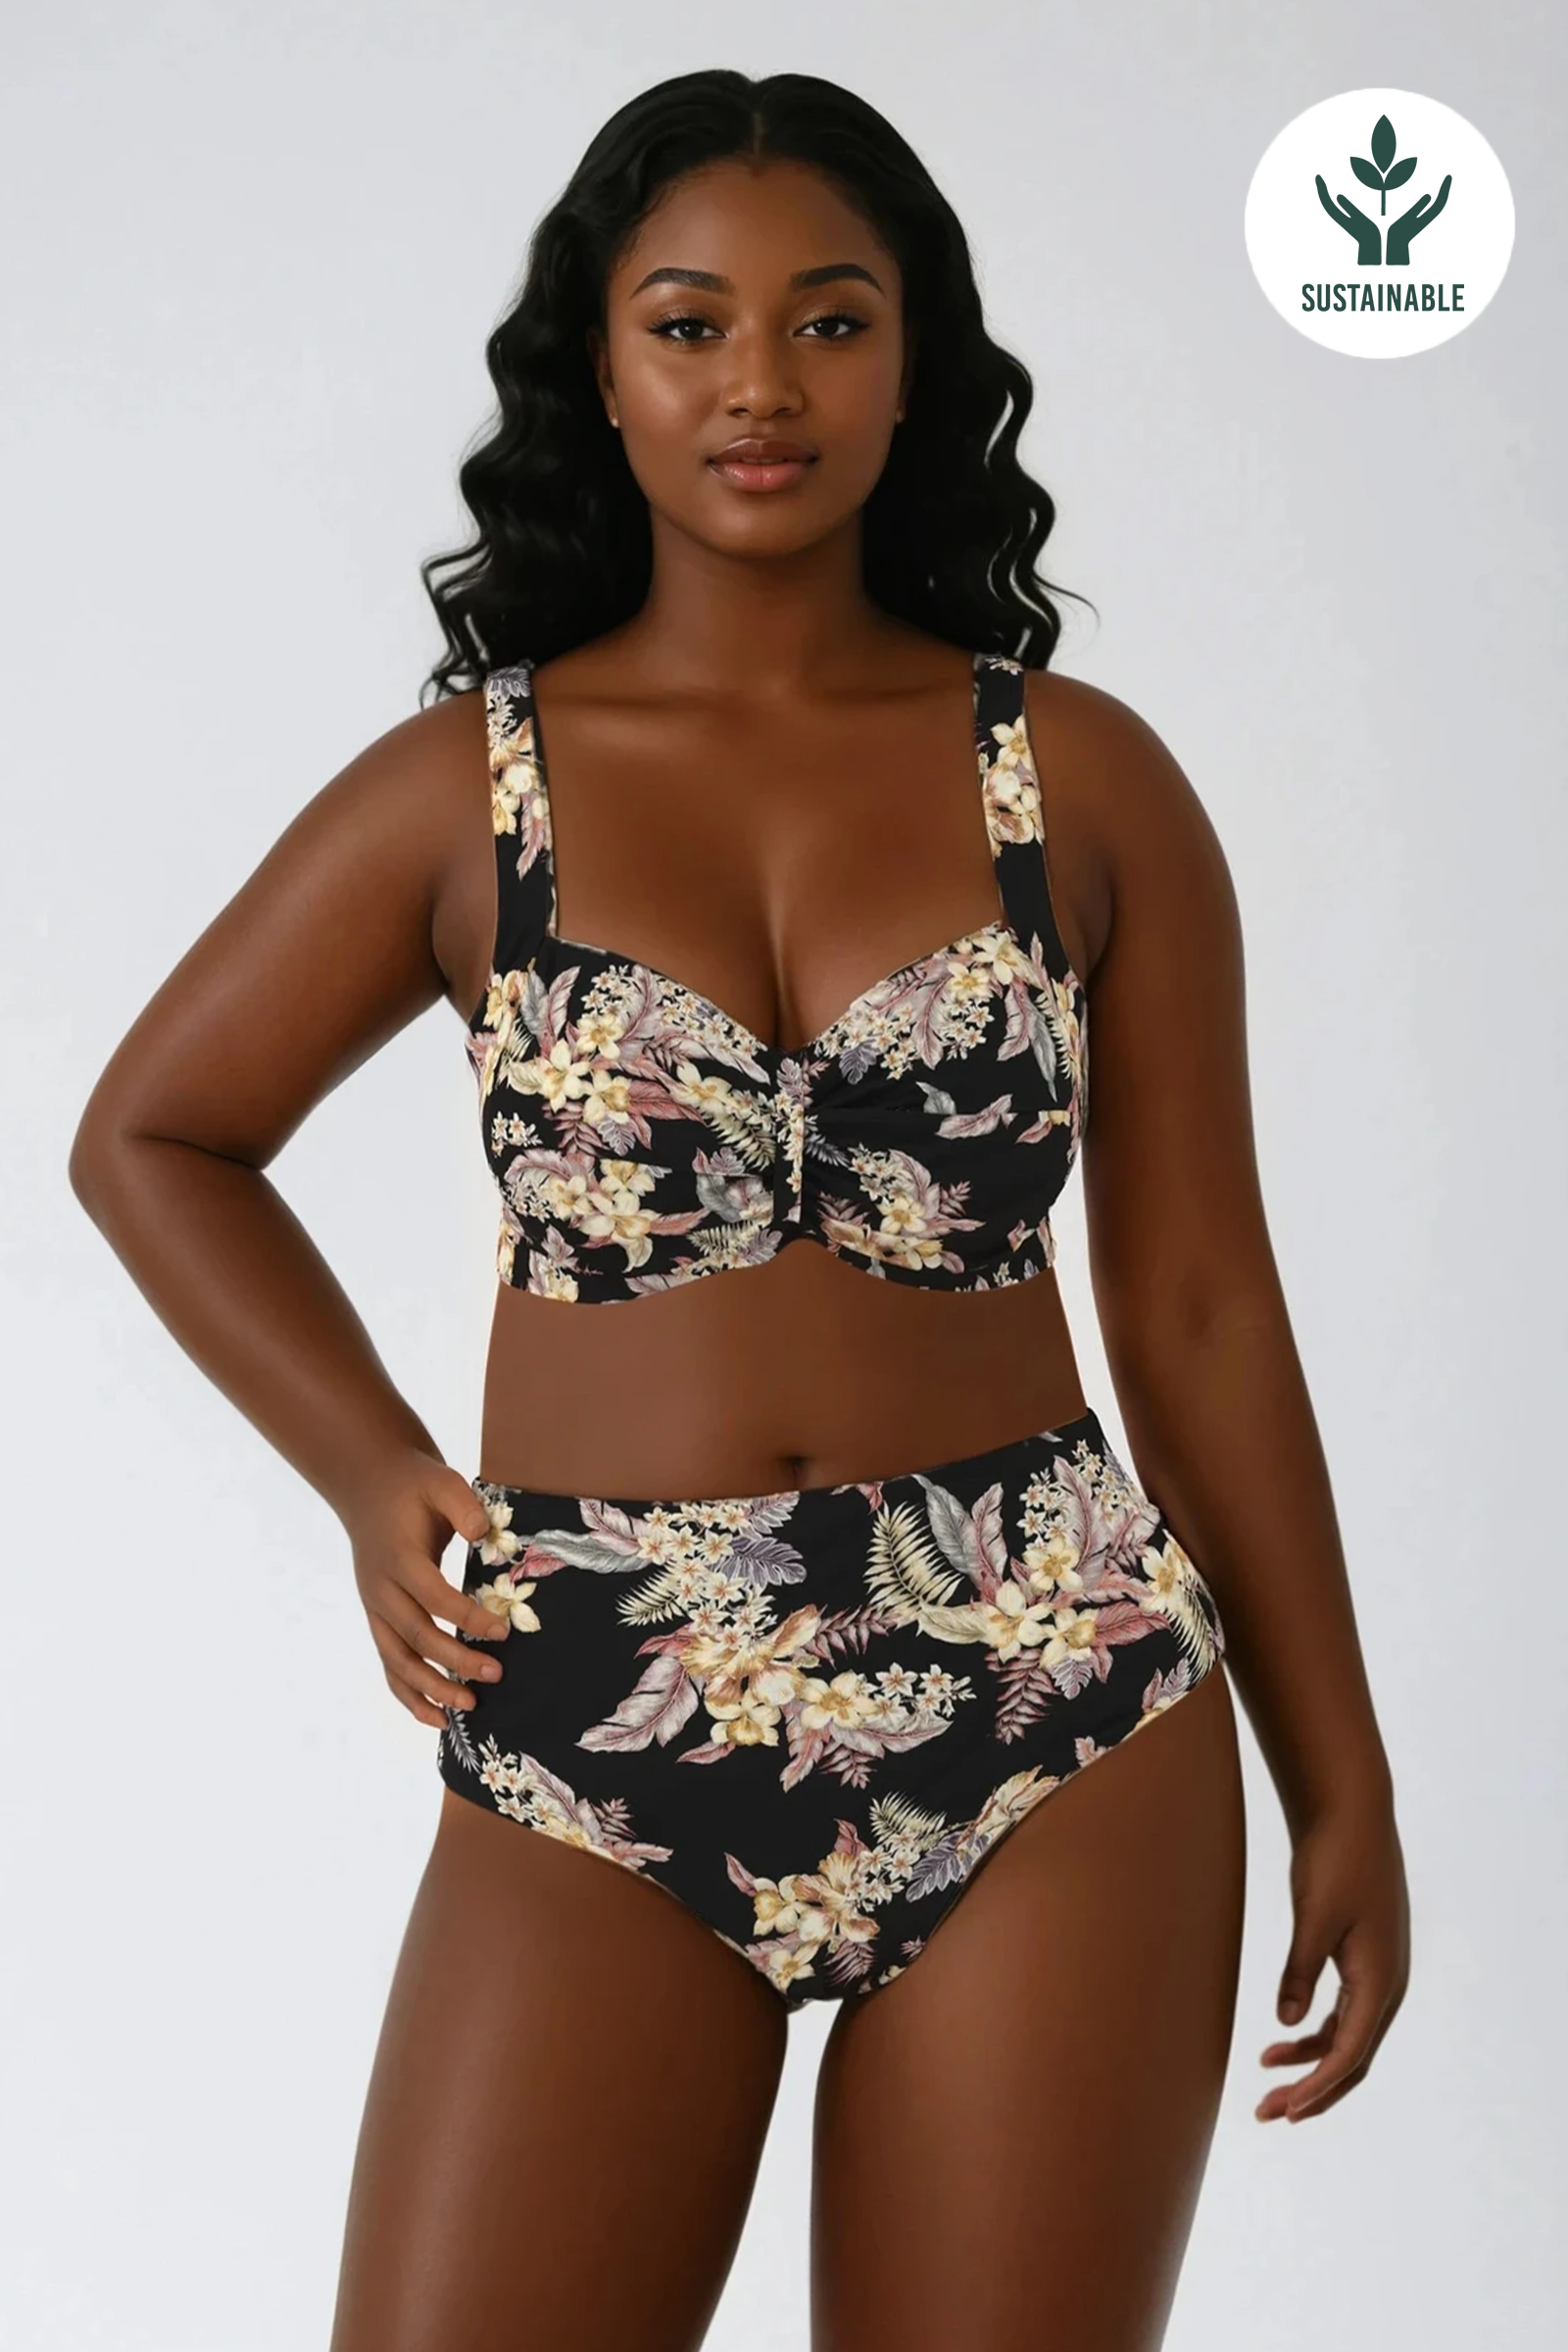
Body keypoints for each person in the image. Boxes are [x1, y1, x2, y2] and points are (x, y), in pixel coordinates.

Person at [68, 67, 1409, 2352]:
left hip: (1051, 1695)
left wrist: (1337, 1769)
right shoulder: (462, 793)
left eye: (830, 322)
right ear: (599, 369)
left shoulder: (1077, 781)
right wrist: (369, 1468)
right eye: (689, 324)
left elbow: (1193, 1306)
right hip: (596, 1691)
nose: (760, 385)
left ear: (916, 363)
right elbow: (155, 1136)